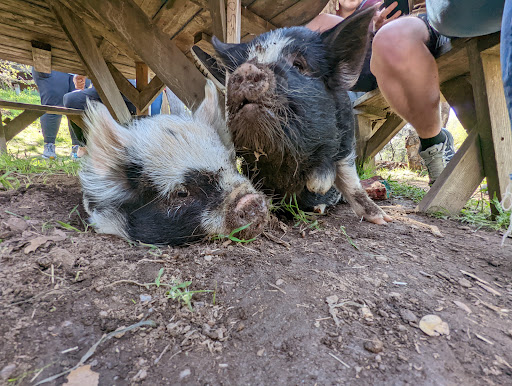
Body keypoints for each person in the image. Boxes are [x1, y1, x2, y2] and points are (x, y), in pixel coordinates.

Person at [192, 0, 457, 185]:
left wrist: (373, 30)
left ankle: (434, 144)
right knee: (318, 25)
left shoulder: (366, 21)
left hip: (381, 59)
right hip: (340, 75)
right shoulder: (322, 19)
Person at [63, 78, 163, 148]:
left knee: (71, 99)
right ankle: (85, 145)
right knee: (71, 100)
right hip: (102, 88)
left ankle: (85, 145)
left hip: (140, 92)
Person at [31, 69, 90, 159]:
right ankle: (49, 145)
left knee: (78, 103)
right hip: (52, 67)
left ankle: (78, 146)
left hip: (77, 66)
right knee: (53, 102)